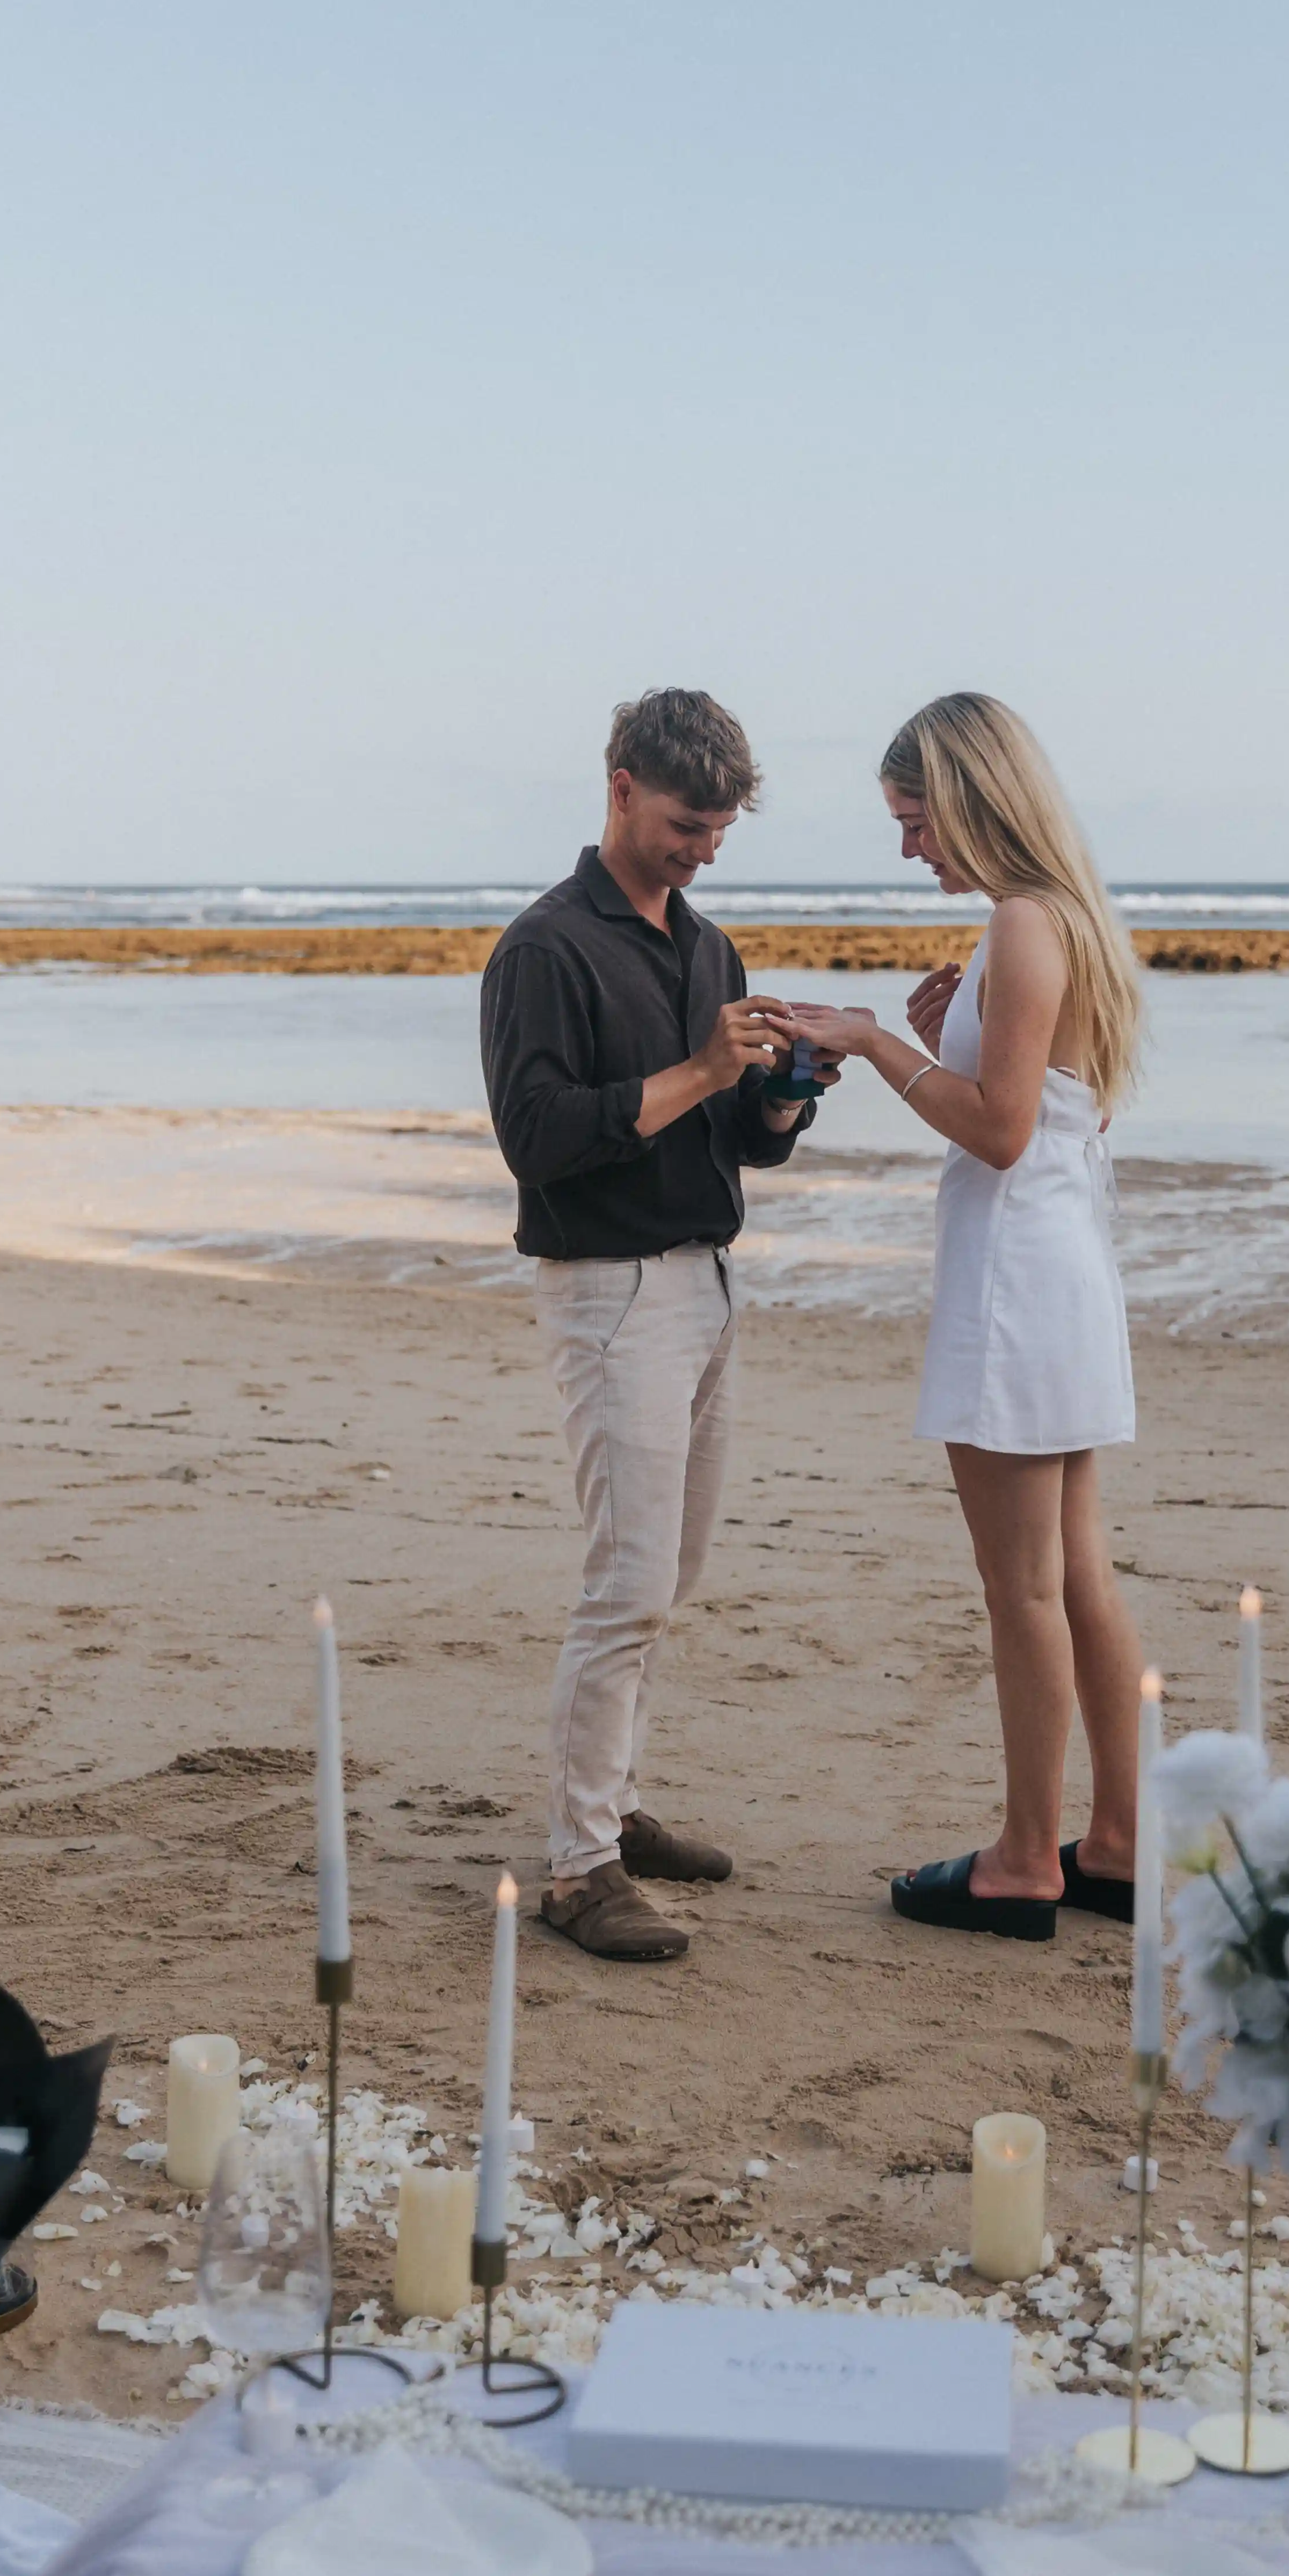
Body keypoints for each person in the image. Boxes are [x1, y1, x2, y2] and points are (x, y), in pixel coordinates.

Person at [481, 689, 833, 1962]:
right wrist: (703, 1070)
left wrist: (785, 1094)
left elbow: (743, 1140)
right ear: (622, 786)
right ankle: (580, 1869)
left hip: (707, 1282)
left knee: (669, 1578)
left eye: (720, 834)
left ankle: (616, 1812)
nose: (702, 852)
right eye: (688, 826)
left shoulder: (707, 947)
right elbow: (536, 1140)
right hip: (608, 1287)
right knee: (626, 1582)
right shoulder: (543, 949)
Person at [789, 692, 1144, 1942]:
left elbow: (997, 1134)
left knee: (1022, 1588)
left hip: (1016, 1287)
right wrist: (952, 1039)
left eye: (915, 818)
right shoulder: (1068, 919)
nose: (909, 847)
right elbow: (1056, 1108)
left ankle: (1023, 1859)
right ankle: (1117, 1840)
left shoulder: (1020, 921)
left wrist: (876, 1043)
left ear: (970, 796)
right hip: (1064, 1274)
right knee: (1076, 1570)